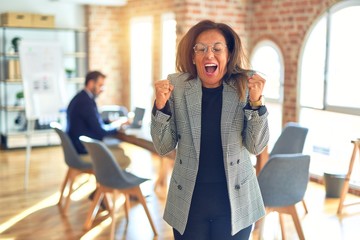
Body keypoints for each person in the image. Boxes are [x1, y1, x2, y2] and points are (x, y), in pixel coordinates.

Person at [150, 20, 269, 239]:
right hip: (188, 203)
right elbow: (163, 146)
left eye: (217, 49)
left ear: (228, 54)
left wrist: (256, 104)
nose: (209, 55)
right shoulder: (177, 87)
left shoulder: (245, 87)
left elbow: (256, 146)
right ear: (193, 56)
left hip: (236, 202)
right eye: (201, 49)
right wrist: (160, 106)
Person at [66, 70, 130, 169]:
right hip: (83, 150)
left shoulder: (81, 98)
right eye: (100, 85)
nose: (102, 89)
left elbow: (91, 123)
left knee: (116, 148)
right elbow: (101, 131)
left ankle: (105, 182)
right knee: (123, 157)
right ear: (91, 83)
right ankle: (111, 183)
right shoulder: (86, 102)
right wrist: (118, 124)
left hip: (77, 147)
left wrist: (108, 121)